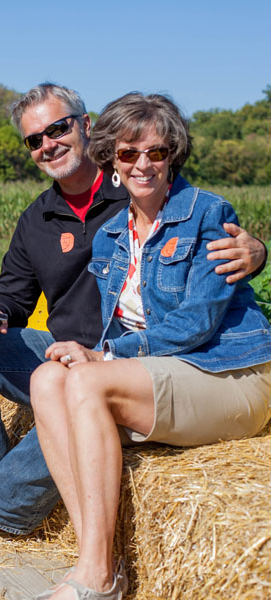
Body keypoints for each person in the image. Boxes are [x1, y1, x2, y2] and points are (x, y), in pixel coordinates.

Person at [0, 83, 268, 539]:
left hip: (130, 352)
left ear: (86, 126)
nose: (48, 144)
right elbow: (14, 292)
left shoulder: (137, 182)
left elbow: (200, 238)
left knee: (79, 387)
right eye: (34, 139)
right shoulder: (38, 218)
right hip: (70, 347)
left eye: (57, 129)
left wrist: (257, 251)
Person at [29, 92, 271, 600]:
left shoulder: (206, 213)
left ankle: (96, 578)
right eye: (128, 153)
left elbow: (198, 322)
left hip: (227, 371)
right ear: (111, 160)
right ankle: (98, 561)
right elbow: (114, 322)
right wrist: (86, 351)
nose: (143, 164)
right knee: (46, 379)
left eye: (156, 152)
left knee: (88, 379)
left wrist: (107, 356)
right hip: (167, 370)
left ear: (172, 155)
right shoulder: (113, 234)